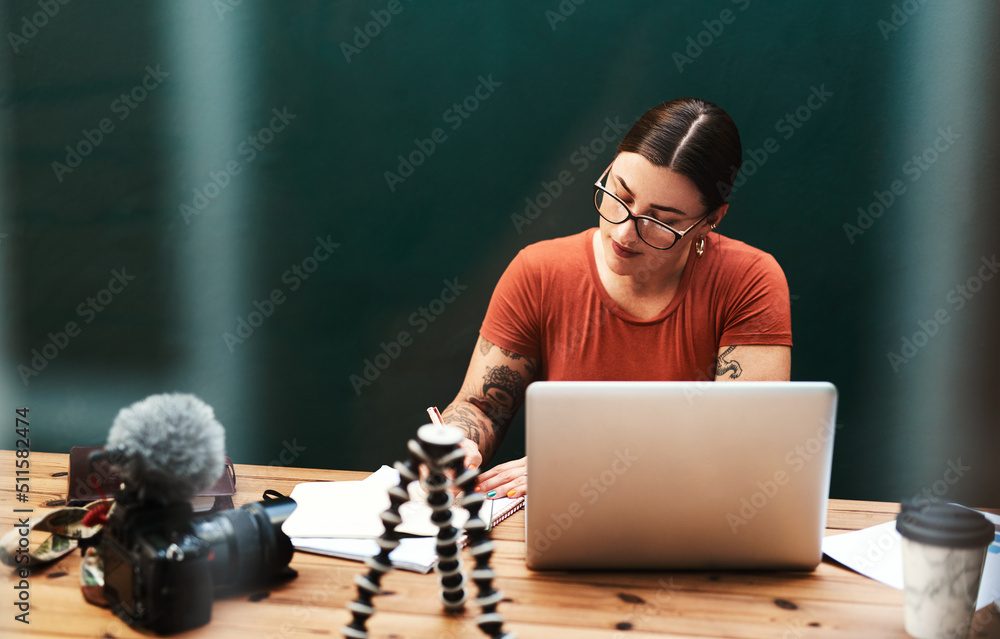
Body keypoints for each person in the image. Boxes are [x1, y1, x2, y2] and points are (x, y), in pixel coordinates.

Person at [441, 97, 792, 500]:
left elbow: (744, 448)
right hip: (563, 522)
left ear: (709, 222)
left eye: (661, 221)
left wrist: (580, 469)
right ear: (607, 171)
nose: (624, 233)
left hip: (695, 521)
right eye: (621, 196)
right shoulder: (538, 272)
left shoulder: (749, 281)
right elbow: (482, 407)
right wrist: (454, 442)